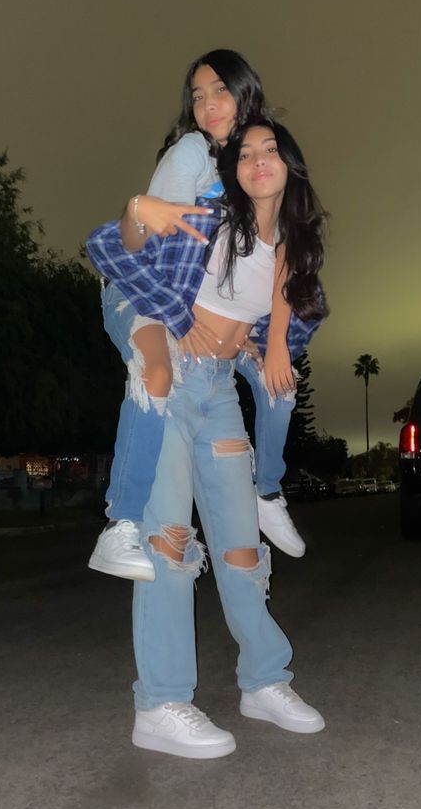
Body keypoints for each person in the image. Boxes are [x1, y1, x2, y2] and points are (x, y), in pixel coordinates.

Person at [89, 119, 329, 758]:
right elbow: (126, 249)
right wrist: (168, 311)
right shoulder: (213, 218)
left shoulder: (292, 249)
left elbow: (290, 317)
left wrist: (264, 345)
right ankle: (161, 702)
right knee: (167, 545)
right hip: (173, 376)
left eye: (270, 149)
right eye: (244, 151)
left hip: (220, 392)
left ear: (290, 166)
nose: (255, 159)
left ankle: (264, 682)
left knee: (241, 549)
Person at [87, 50, 315, 584]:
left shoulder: (248, 165)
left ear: (245, 93)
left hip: (202, 317)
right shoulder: (193, 151)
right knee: (157, 374)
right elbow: (152, 255)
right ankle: (117, 526)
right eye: (197, 95)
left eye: (220, 91)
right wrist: (142, 211)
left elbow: (271, 256)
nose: (207, 105)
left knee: (279, 382)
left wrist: (266, 338)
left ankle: (268, 492)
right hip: (142, 290)